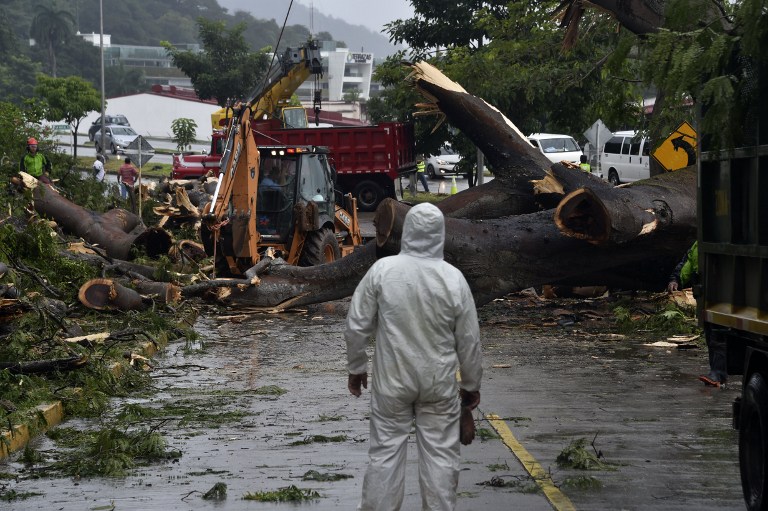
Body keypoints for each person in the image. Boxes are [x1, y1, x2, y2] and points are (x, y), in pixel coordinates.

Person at [345, 202, 483, 510]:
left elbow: (356, 325)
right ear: (440, 235)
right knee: (440, 460)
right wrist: (471, 385)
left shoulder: (382, 271)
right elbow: (469, 340)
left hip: (391, 384)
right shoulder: (453, 279)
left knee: (384, 456)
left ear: (407, 233)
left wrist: (357, 367)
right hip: (438, 386)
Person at [667, 241, 727, 387]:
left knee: (717, 334)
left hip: (721, 295)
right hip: (704, 294)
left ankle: (718, 374)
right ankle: (716, 373)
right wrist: (676, 279)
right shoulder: (697, 244)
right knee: (710, 334)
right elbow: (687, 262)